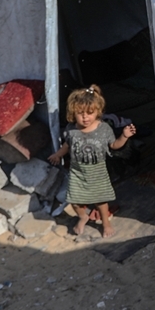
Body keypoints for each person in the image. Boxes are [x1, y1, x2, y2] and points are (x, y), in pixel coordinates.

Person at [48, 85, 136, 238]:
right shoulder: (71, 129)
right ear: (73, 113)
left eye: (90, 113)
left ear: (98, 111)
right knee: (75, 201)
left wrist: (124, 136)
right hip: (77, 172)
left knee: (100, 201)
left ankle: (106, 223)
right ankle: (83, 217)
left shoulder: (103, 129)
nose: (85, 117)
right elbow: (67, 145)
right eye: (80, 113)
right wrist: (58, 155)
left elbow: (114, 145)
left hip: (97, 172)